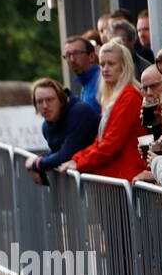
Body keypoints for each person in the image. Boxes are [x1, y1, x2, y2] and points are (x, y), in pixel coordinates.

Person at [59, 40, 144, 181]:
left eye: (111, 64)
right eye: (102, 64)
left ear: (123, 67)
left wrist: (79, 163)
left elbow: (110, 145)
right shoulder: (116, 96)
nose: (104, 69)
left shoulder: (130, 96)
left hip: (128, 177)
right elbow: (100, 142)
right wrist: (76, 159)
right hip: (119, 178)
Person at [24, 78, 98, 182]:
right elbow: (56, 153)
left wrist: (36, 164)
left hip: (106, 178)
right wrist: (39, 160)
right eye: (40, 101)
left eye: (50, 100)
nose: (45, 106)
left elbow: (66, 156)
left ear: (61, 100)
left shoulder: (80, 112)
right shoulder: (46, 126)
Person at [62, 36, 102, 114]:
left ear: (91, 56)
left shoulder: (102, 79)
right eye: (68, 55)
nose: (72, 60)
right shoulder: (85, 82)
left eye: (76, 53)